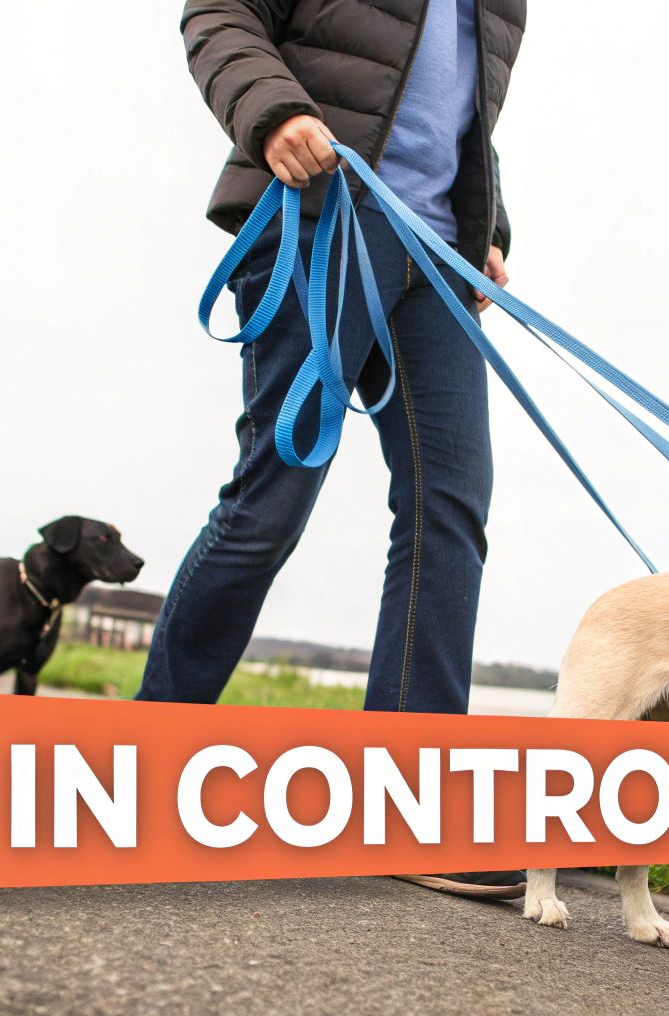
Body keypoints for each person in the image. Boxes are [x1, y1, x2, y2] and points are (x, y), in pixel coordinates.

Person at [142, 0, 526, 898]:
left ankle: (403, 804)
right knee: (273, 500)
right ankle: (150, 757)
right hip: (319, 219)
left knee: (451, 509)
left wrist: (489, 231)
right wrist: (274, 112)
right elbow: (220, 15)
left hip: (435, 259)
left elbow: (457, 116)